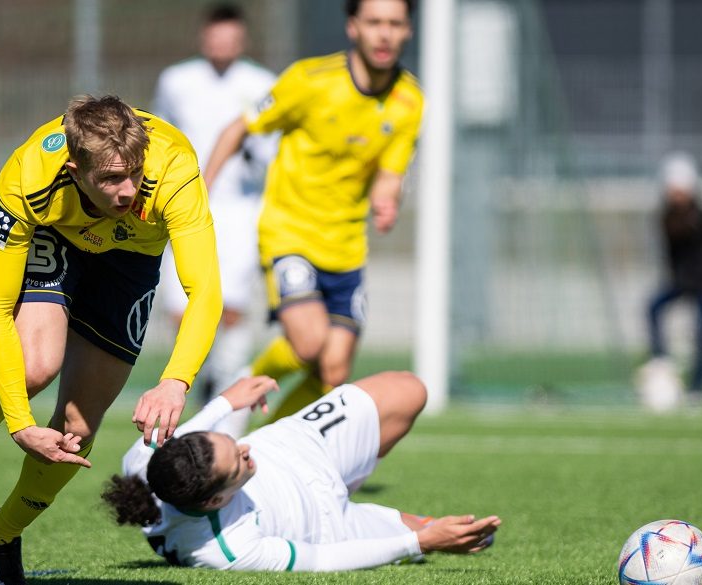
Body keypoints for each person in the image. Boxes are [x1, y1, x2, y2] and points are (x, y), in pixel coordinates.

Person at [0, 95, 222, 585]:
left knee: (77, 428)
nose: (127, 190)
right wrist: (17, 422)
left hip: (132, 263)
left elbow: (205, 292)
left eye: (134, 174)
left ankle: (4, 534)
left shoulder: (175, 168)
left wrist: (176, 381)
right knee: (34, 368)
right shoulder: (28, 178)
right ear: (74, 169)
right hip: (58, 235)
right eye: (110, 179)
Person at [204, 0, 424, 419]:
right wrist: (204, 186)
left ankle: (269, 446)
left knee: (334, 368)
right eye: (374, 22)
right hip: (290, 233)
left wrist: (386, 200)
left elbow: (390, 173)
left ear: (408, 31)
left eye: (395, 24)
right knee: (308, 344)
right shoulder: (310, 80)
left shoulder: (409, 100)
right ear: (353, 27)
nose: (384, 33)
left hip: (346, 246)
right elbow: (239, 127)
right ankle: (243, 381)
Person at [102, 371, 501, 570]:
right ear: (215, 501)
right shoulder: (225, 550)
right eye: (238, 461)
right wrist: (420, 543)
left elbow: (186, 435)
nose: (244, 448)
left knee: (409, 388)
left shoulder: (144, 461)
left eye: (231, 442)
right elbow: (323, 559)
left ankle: (357, 466)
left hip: (298, 443)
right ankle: (395, 517)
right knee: (468, 537)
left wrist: (227, 402)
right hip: (328, 523)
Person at [152, 3, 277, 436]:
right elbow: (160, 136)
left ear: (241, 39)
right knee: (179, 307)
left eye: (230, 36)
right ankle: (189, 388)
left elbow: (271, 151)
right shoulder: (176, 80)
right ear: (205, 36)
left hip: (238, 210)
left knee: (234, 307)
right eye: (215, 34)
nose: (221, 43)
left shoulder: (261, 83)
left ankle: (231, 408)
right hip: (182, 207)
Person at [646, 152, 702, 404]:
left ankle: (698, 387)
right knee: (653, 307)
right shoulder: (667, 219)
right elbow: (671, 255)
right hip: (682, 281)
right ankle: (661, 362)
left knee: (701, 333)